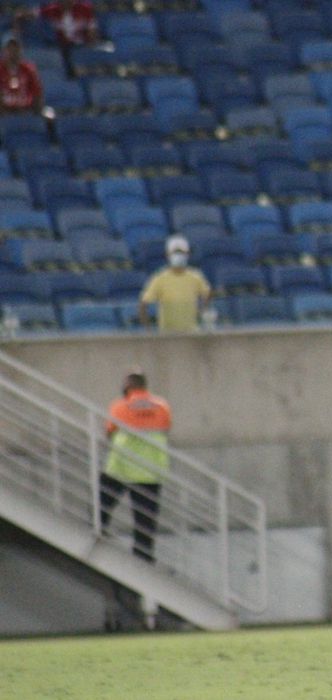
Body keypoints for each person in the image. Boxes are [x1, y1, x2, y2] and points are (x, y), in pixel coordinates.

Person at [101, 370, 171, 564]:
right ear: (144, 386)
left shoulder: (119, 407)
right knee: (145, 520)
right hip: (150, 471)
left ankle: (100, 531)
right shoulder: (162, 406)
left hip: (121, 468)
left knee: (104, 503)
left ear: (127, 387)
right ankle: (144, 557)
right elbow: (166, 428)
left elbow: (109, 432)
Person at [138, 235, 211, 332]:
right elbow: (143, 303)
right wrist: (148, 330)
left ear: (187, 254)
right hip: (168, 334)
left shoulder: (195, 276)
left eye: (181, 253)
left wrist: (202, 311)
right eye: (175, 252)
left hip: (192, 332)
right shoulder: (160, 278)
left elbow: (207, 293)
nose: (178, 255)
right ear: (168, 255)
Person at [16, 0, 100, 50]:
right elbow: (22, 15)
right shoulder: (50, 9)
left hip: (80, 47)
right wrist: (17, 34)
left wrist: (90, 47)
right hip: (58, 47)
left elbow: (92, 30)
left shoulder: (85, 9)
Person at [0, 33, 44, 116]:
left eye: (16, 48)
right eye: (9, 48)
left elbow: (37, 93)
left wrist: (38, 114)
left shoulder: (29, 69)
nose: (13, 52)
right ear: (3, 51)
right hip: (4, 112)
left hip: (26, 111)